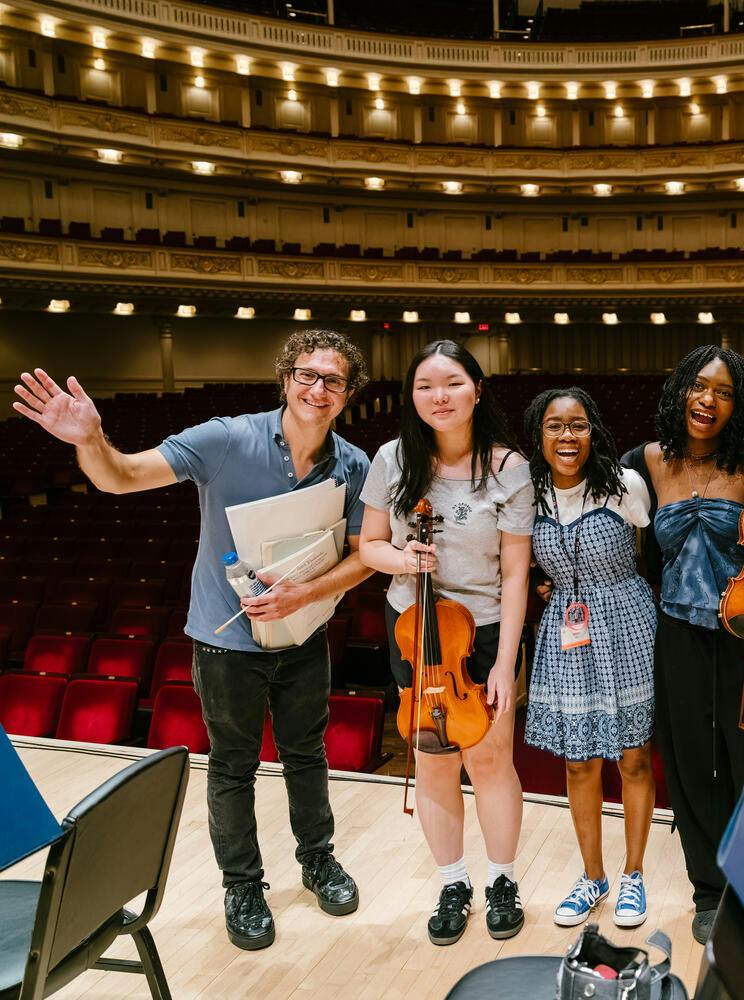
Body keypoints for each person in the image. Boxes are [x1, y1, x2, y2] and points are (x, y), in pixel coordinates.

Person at [12, 329, 370, 951]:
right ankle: (242, 886)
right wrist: (90, 440)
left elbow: (366, 556)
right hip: (226, 644)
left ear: (347, 394)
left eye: (333, 380)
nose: (319, 389)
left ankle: (317, 860)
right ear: (285, 380)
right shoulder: (226, 438)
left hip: (304, 636)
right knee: (233, 766)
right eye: (307, 375)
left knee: (307, 754)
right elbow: (119, 478)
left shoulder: (355, 464)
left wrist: (302, 597)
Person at [621, 344, 744, 945]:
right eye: (699, 386)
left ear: (738, 405)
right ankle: (709, 888)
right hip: (677, 631)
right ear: (679, 389)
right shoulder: (644, 462)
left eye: (724, 392)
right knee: (693, 763)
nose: (708, 400)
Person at [356, 340, 533, 946]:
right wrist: (402, 555)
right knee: (433, 759)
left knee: (488, 758)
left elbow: (515, 571)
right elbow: (369, 546)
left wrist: (505, 663)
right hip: (414, 624)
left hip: (482, 630)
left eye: (453, 383)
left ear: (477, 391)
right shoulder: (392, 459)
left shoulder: (508, 467)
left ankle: (503, 879)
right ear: (412, 397)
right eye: (426, 385)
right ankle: (452, 882)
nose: (440, 396)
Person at [520, 387, 658, 930]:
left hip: (625, 622)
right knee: (579, 761)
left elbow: (655, 550)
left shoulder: (625, 487)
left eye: (577, 425)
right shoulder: (529, 493)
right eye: (555, 426)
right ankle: (592, 877)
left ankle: (634, 875)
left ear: (593, 431)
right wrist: (541, 585)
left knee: (634, 759)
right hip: (565, 633)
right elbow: (519, 560)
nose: (567, 437)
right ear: (539, 435)